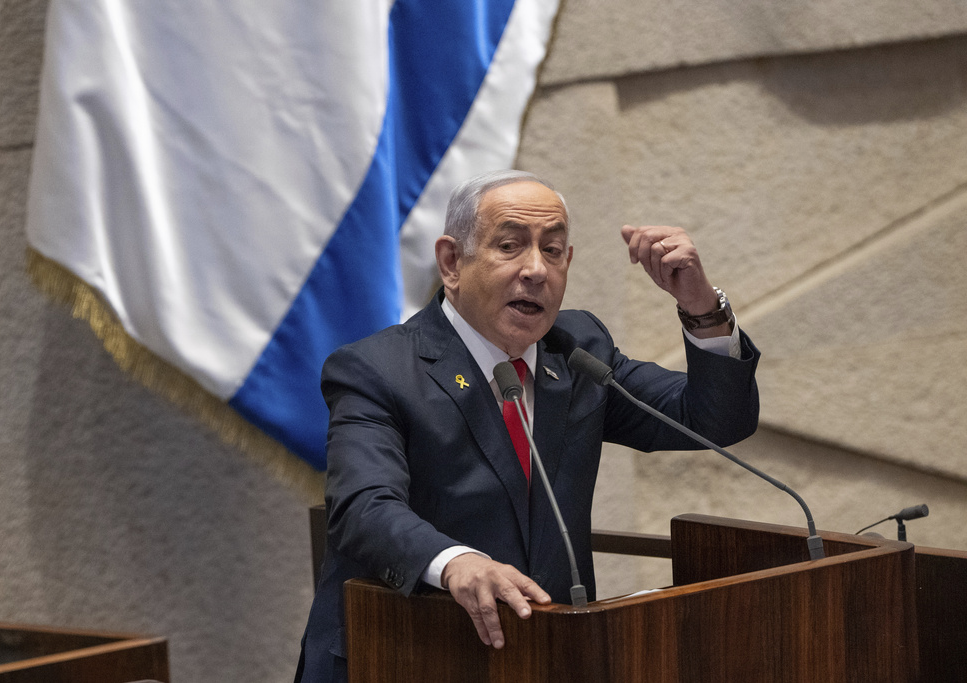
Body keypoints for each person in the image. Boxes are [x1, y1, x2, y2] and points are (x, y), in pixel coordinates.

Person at [294, 170, 759, 682]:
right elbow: (362, 507)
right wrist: (454, 562)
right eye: (510, 246)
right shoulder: (377, 369)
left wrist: (700, 308)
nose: (536, 269)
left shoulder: (578, 350)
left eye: (553, 250)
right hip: (403, 652)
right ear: (452, 262)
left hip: (545, 656)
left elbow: (714, 420)